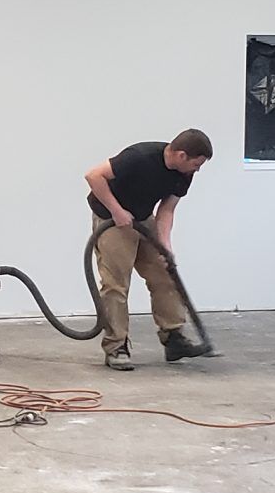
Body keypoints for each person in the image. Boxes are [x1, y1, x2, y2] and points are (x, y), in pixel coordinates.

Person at [85, 130, 213, 371]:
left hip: (143, 219)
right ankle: (116, 347)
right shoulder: (140, 156)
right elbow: (93, 176)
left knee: (165, 273)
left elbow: (167, 210)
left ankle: (173, 337)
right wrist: (116, 211)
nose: (197, 170)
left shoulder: (183, 173)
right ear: (182, 155)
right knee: (116, 284)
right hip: (111, 220)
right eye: (196, 164)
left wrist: (165, 246)